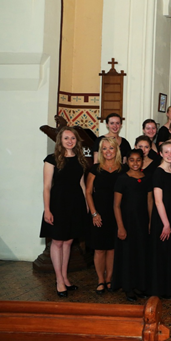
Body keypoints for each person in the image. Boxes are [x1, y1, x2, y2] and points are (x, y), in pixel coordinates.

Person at [40, 127, 89, 297]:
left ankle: (65, 277)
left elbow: (82, 184)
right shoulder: (51, 159)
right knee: (58, 242)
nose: (70, 141)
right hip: (58, 203)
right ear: (60, 140)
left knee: (68, 242)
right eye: (66, 138)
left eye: (73, 138)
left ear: (77, 140)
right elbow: (47, 187)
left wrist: (86, 205)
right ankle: (59, 280)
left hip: (76, 203)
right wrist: (47, 209)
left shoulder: (80, 159)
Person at [112, 149, 153, 301]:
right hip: (127, 222)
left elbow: (149, 201)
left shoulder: (147, 178)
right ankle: (128, 287)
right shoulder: (122, 179)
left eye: (138, 160)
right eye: (132, 160)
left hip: (142, 222)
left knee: (141, 253)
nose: (135, 163)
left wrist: (150, 221)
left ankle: (139, 285)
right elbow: (116, 205)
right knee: (128, 254)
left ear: (142, 161)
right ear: (127, 161)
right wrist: (120, 226)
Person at [86, 137, 124, 295]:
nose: (108, 151)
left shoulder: (123, 169)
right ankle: (100, 280)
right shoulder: (95, 169)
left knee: (112, 249)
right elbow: (88, 192)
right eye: (104, 148)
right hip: (99, 214)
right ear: (101, 151)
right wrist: (94, 213)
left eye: (111, 148)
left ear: (116, 150)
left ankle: (109, 279)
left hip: (117, 214)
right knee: (100, 249)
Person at [147, 142, 171, 298]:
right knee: (161, 253)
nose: (170, 154)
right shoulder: (158, 173)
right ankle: (159, 289)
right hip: (162, 218)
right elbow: (158, 201)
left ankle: (170, 288)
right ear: (160, 153)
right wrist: (166, 224)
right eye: (166, 152)